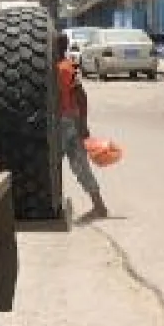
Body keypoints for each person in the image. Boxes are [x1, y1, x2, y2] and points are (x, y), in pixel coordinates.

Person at [56, 31, 109, 220]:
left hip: (62, 122)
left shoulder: (57, 69)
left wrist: (82, 124)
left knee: (53, 165)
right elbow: (81, 97)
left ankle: (54, 205)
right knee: (80, 165)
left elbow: (80, 96)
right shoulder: (69, 67)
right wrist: (83, 123)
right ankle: (99, 205)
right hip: (73, 119)